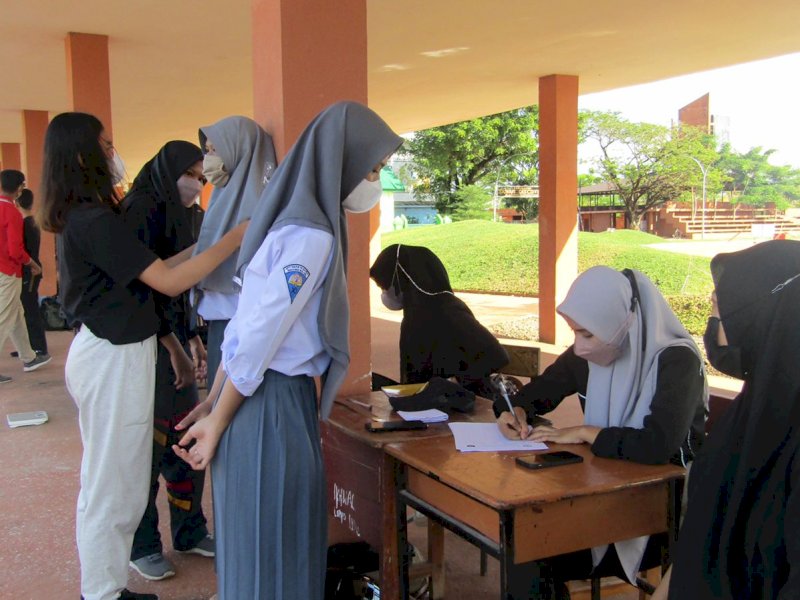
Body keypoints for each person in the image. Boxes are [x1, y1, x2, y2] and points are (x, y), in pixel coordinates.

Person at [173, 101, 403, 600]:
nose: (374, 181)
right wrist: (215, 415)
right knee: (277, 554)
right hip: (271, 407)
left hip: (247, 401)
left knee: (254, 552)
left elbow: (243, 324)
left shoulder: (285, 221)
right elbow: (257, 336)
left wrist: (215, 402)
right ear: (342, 162)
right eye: (372, 167)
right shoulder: (310, 235)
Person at [39, 112, 248, 600]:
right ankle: (103, 592)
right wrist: (237, 238)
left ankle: (108, 586)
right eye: (105, 144)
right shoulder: (92, 221)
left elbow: (155, 270)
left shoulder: (92, 216)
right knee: (112, 488)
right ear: (81, 155)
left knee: (124, 482)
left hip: (117, 355)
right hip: (112, 359)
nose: (113, 153)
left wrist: (212, 241)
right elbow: (170, 282)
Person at [496, 265, 707, 598]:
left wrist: (586, 432)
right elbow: (543, 391)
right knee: (524, 544)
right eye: (576, 332)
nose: (579, 346)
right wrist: (514, 410)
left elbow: (658, 444)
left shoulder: (676, 361)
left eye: (587, 334)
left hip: (659, 514)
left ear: (620, 321)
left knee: (533, 550)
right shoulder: (595, 348)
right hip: (599, 492)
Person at [665, 240, 800, 599]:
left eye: (719, 310)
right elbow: (699, 543)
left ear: (759, 315)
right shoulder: (749, 412)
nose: (713, 325)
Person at [122, 141, 214, 582]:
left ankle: (190, 529)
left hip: (176, 338)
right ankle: (143, 546)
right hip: (145, 347)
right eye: (191, 173)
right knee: (147, 450)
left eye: (201, 175)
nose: (197, 183)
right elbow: (142, 292)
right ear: (168, 170)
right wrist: (173, 347)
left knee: (185, 439)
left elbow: (184, 289)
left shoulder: (185, 214)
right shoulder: (139, 210)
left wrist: (192, 337)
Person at [193, 116, 276, 391]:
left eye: (215, 150)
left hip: (245, 331)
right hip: (219, 326)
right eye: (207, 150)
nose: (208, 158)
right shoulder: (223, 195)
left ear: (239, 151)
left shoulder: (263, 204)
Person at [369, 243, 508, 396]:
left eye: (384, 287)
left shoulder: (446, 310)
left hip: (458, 405)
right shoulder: (415, 314)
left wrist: (455, 382)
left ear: (400, 282)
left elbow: (496, 356)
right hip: (427, 401)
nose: (384, 293)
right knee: (370, 382)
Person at [0, 169, 50, 384]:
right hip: (9, 271)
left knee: (16, 315)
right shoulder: (11, 212)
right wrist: (33, 264)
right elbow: (15, 250)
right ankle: (29, 357)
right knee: (4, 317)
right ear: (19, 188)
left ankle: (29, 357)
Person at [15, 188, 49, 357]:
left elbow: (24, 251)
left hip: (30, 271)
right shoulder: (30, 221)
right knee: (24, 309)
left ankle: (39, 347)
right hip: (28, 270)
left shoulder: (27, 223)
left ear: (18, 202)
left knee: (31, 310)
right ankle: (27, 346)